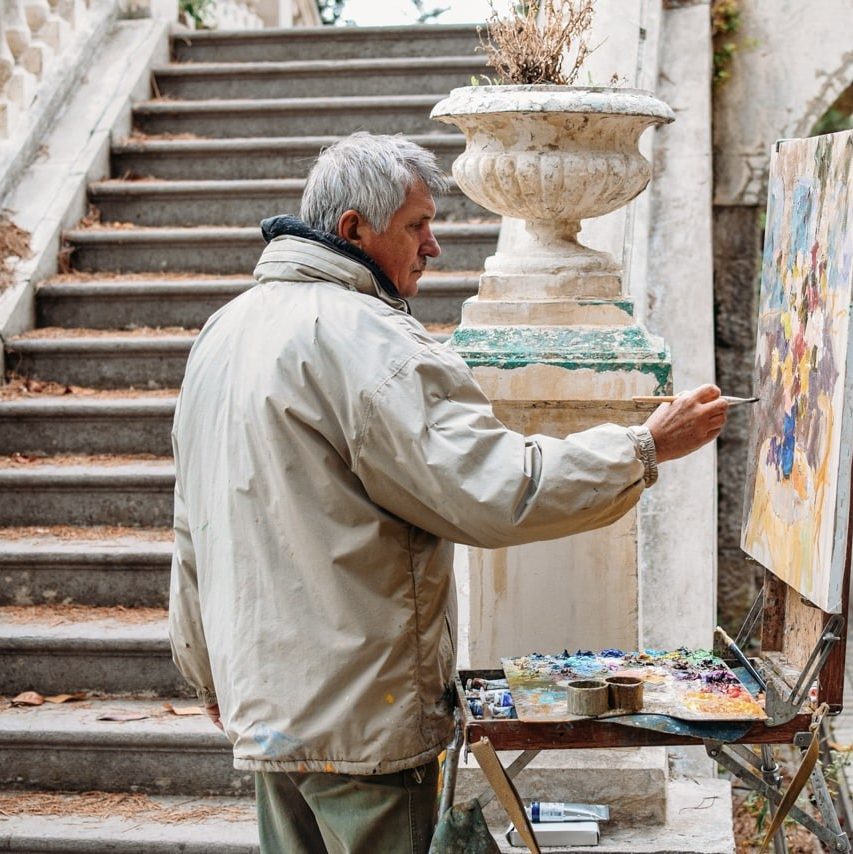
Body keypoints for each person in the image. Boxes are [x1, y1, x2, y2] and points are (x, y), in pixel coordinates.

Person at [167, 132, 729, 854]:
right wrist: (643, 446)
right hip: (359, 714)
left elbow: (192, 529)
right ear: (353, 232)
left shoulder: (226, 329)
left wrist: (204, 668)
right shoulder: (368, 342)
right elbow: (495, 489)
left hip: (268, 703)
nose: (433, 246)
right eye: (417, 225)